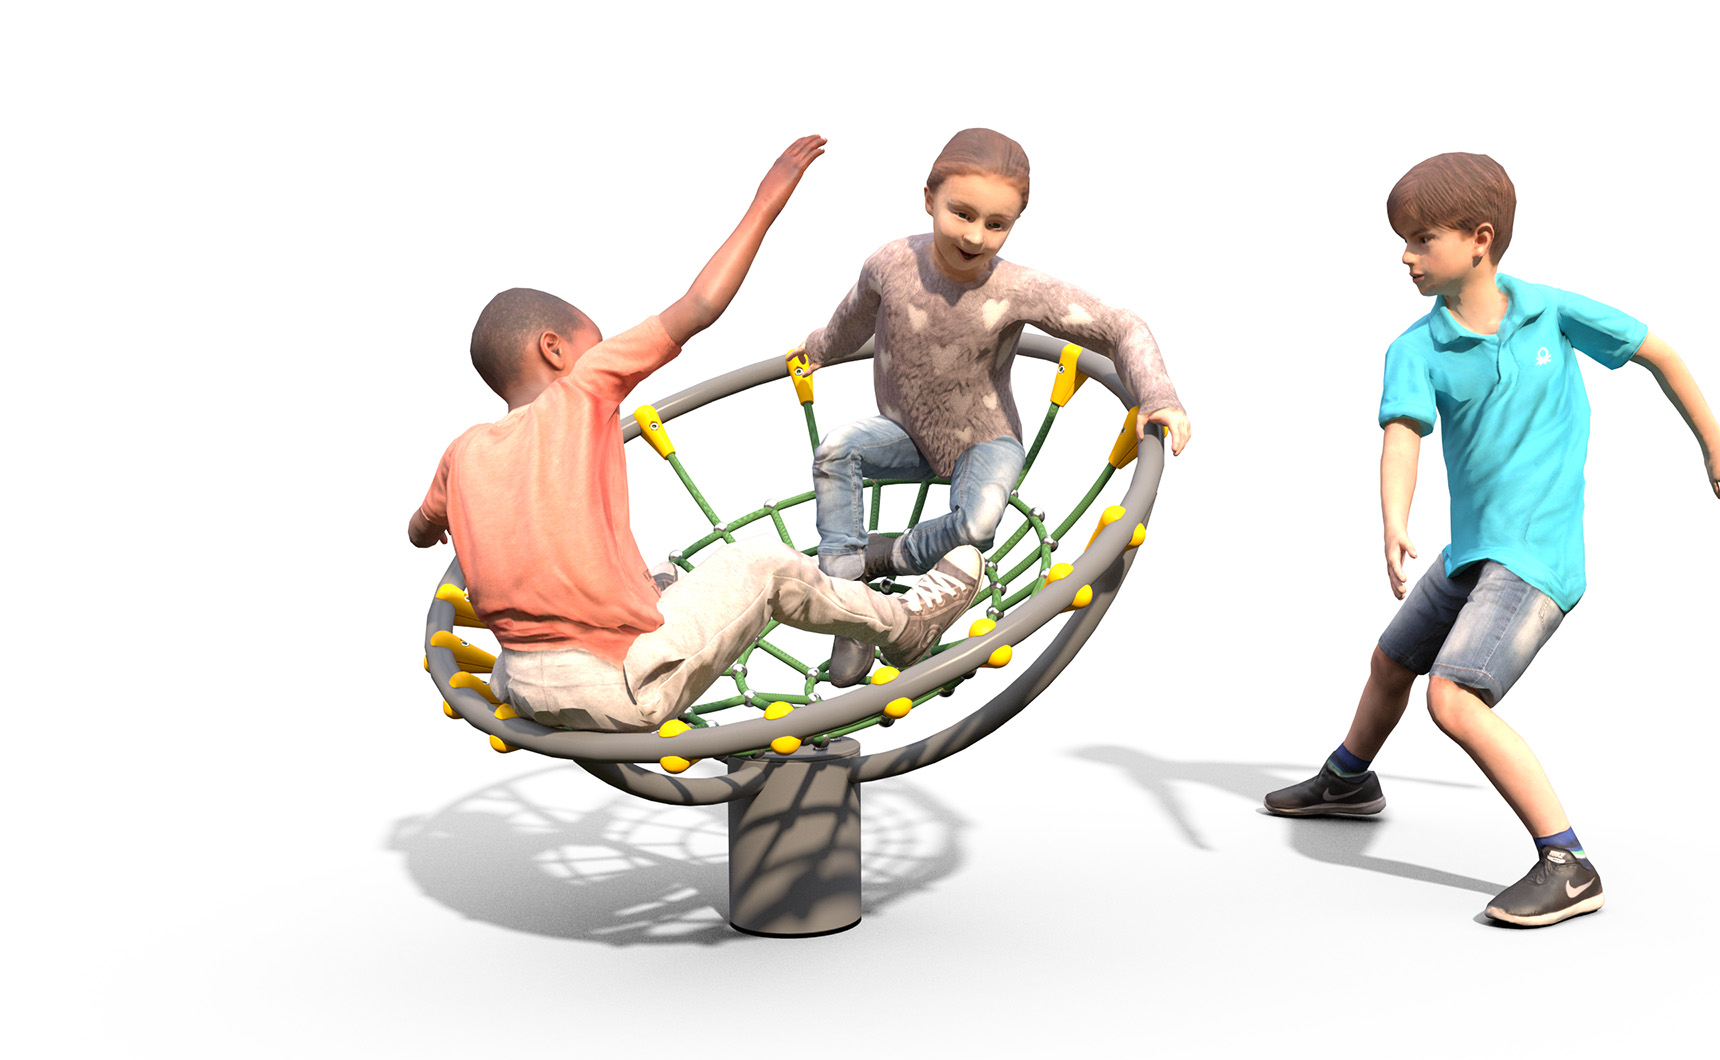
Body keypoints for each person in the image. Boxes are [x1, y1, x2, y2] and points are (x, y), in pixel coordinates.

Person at [1264, 152, 1720, 927]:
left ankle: (1568, 863)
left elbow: (1657, 351)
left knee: (1452, 696)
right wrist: (1394, 519)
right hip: (1471, 552)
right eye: (1403, 241)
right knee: (1392, 661)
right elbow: (1402, 437)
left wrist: (1716, 445)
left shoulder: (1550, 311)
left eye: (1421, 240)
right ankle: (1350, 780)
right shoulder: (1414, 348)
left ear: (1480, 240)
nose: (1405, 256)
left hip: (1535, 559)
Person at [408, 136, 982, 734]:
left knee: (656, 570)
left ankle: (650, 600)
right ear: (554, 349)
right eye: (590, 342)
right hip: (623, 687)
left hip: (525, 686)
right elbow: (700, 305)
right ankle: (904, 626)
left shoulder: (462, 452)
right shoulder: (584, 387)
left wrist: (464, 519)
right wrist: (766, 201)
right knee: (761, 563)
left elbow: (421, 530)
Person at [788, 127, 1192, 687]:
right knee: (836, 448)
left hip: (985, 440)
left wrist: (1159, 396)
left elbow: (1120, 326)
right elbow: (851, 319)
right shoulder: (889, 264)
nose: (976, 235)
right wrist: (817, 351)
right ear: (929, 199)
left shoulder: (1015, 289)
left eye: (996, 224)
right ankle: (849, 606)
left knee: (976, 525)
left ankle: (884, 558)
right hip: (906, 435)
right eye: (962, 213)